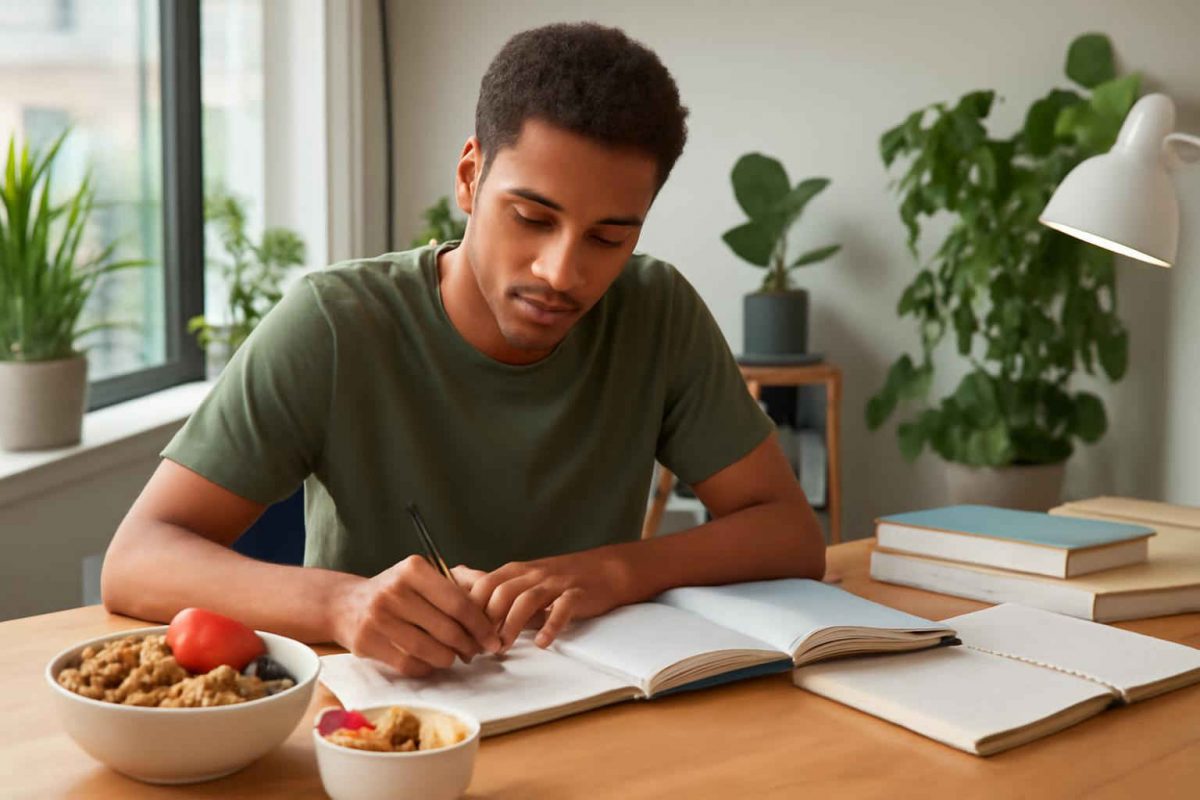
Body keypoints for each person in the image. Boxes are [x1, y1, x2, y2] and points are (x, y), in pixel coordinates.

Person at [102, 21, 825, 678]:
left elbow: (790, 533)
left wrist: (616, 570)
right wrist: (342, 605)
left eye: (609, 238)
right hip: (378, 731)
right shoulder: (333, 323)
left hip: (594, 708)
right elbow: (137, 559)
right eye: (532, 217)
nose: (562, 273)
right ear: (470, 176)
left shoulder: (656, 310)